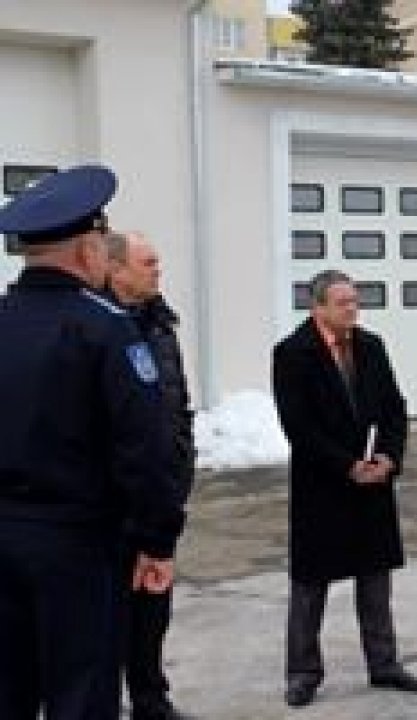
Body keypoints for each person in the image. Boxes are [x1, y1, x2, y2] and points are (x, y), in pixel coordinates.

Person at [0, 165, 185, 720]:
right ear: (86, 253)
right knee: (80, 694)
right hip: (77, 545)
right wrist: (157, 540)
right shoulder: (106, 329)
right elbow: (144, 449)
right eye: (103, 247)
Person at [272, 269, 417, 708]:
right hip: (322, 484)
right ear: (318, 306)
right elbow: (297, 427)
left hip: (372, 483)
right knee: (310, 583)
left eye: (355, 301)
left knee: (375, 576)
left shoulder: (371, 346)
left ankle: (384, 663)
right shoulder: (292, 354)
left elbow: (395, 409)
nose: (352, 309)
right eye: (342, 302)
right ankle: (303, 672)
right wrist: (347, 466)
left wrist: (387, 457)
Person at [105, 232, 195, 720]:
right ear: (115, 269)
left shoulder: (161, 325)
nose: (159, 269)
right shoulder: (96, 326)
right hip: (113, 505)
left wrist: (180, 467)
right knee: (107, 615)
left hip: (160, 497)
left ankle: (150, 699)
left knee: (153, 609)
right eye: (148, 261)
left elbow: (177, 407)